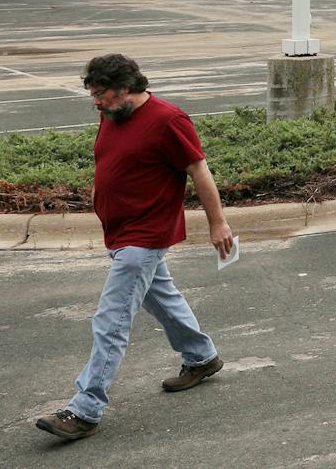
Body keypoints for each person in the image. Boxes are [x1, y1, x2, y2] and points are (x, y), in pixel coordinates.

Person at [36, 54, 235, 442]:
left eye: (101, 94)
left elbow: (198, 170)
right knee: (161, 297)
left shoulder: (168, 120)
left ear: (126, 88)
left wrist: (218, 222)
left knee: (111, 319)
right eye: (92, 94)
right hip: (121, 230)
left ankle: (84, 409)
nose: (96, 101)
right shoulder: (113, 115)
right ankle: (201, 357)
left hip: (145, 234)